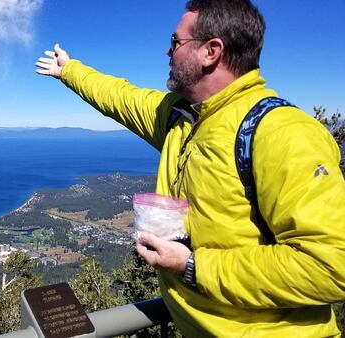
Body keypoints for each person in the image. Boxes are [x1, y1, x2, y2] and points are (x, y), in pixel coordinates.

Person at [36, 0, 345, 336]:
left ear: (211, 51)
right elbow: (121, 97)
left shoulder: (281, 133)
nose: (167, 52)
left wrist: (192, 266)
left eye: (175, 42)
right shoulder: (182, 117)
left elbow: (332, 266)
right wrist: (69, 71)